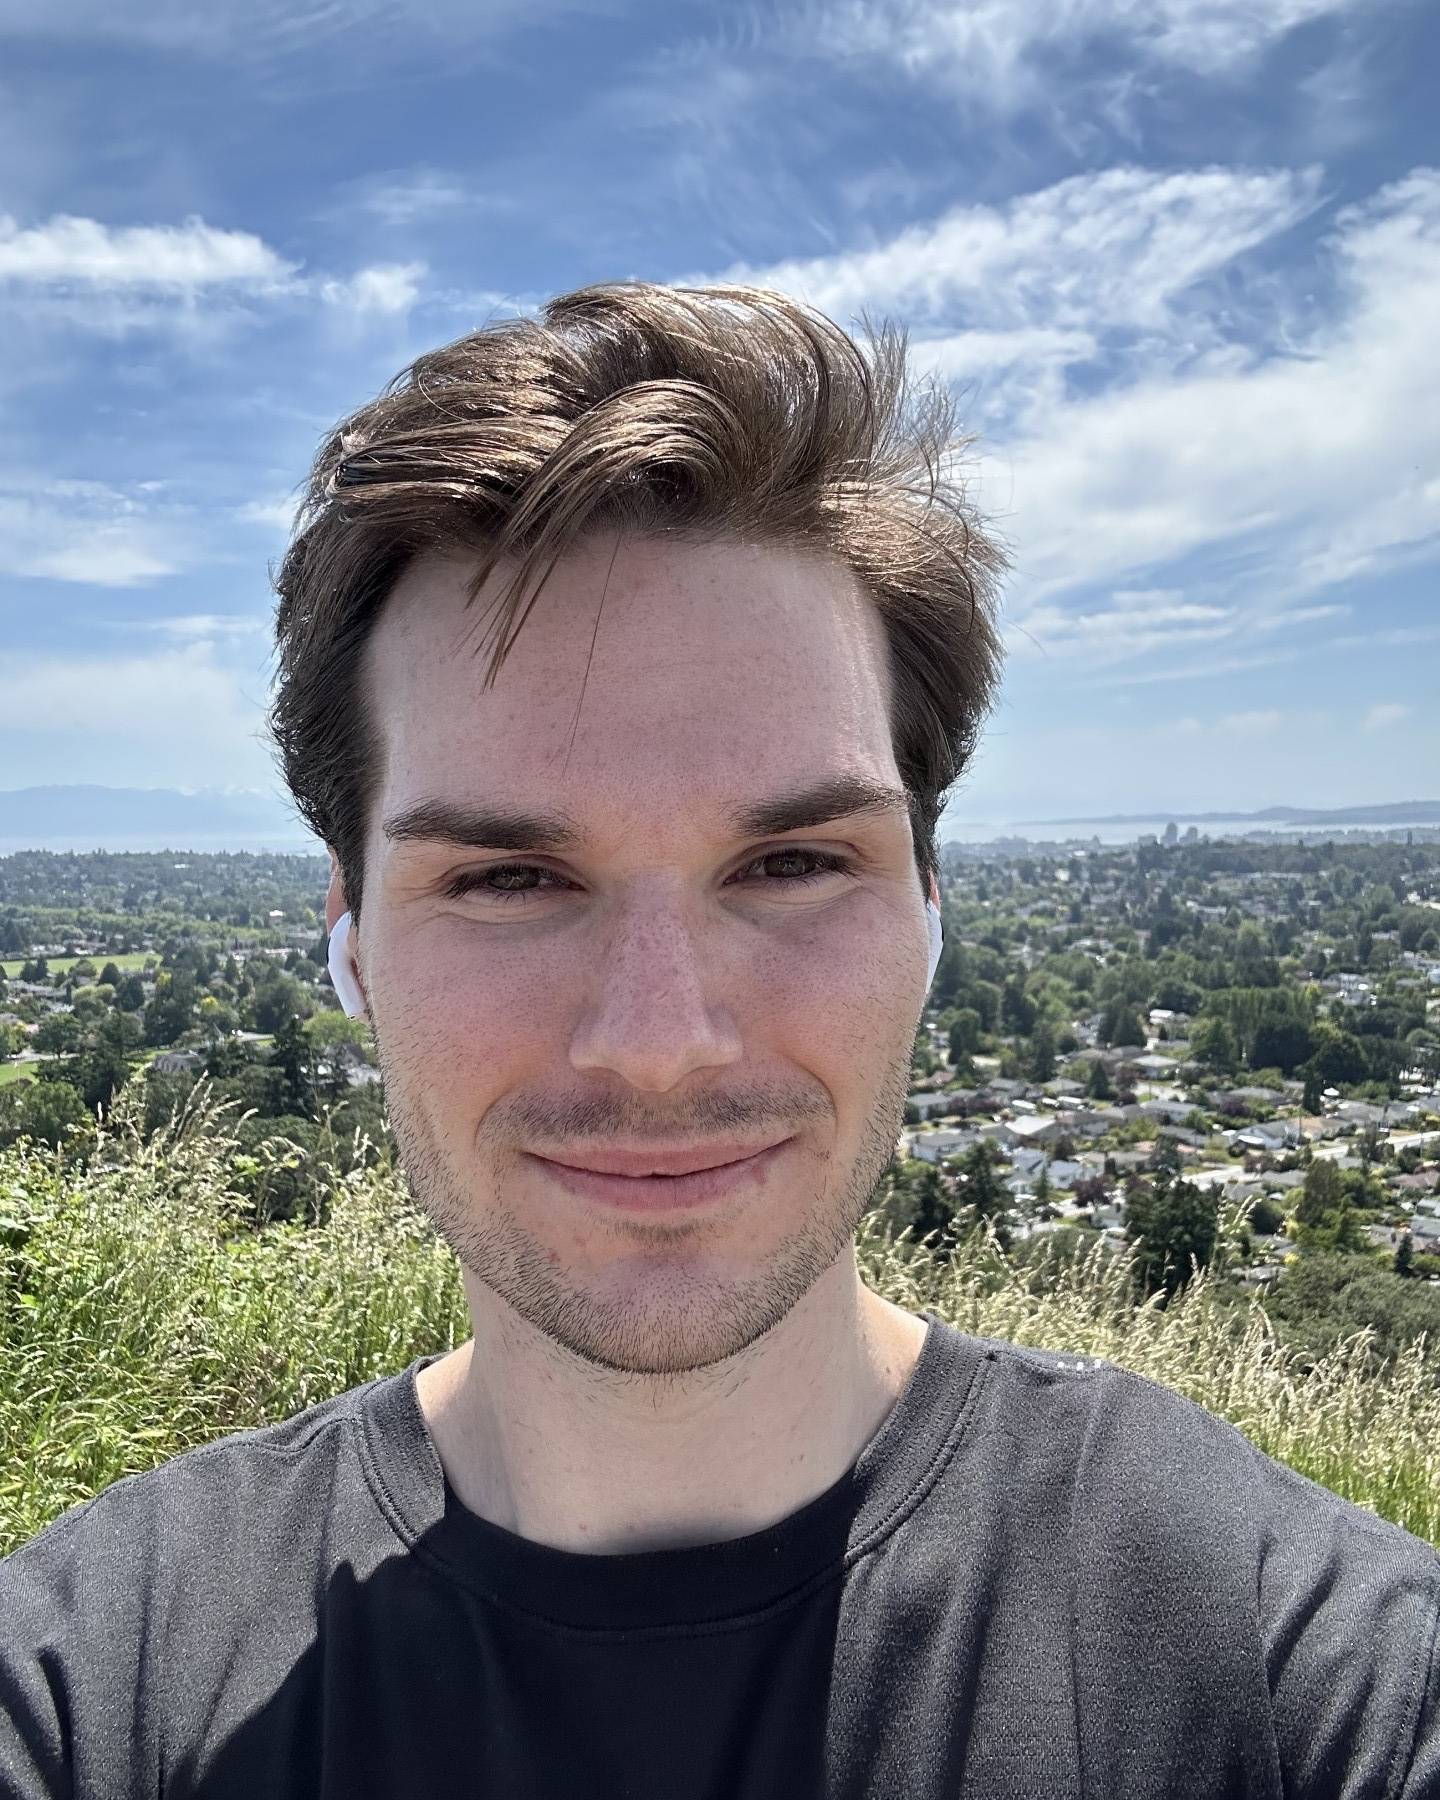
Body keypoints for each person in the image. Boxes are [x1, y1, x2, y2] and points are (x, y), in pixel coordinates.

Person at [1, 282, 1436, 1799]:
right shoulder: (97, 1687)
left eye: (793, 864)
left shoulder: (1289, 1670)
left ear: (928, 917)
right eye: (507, 879)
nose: (660, 1044)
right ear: (353, 945)